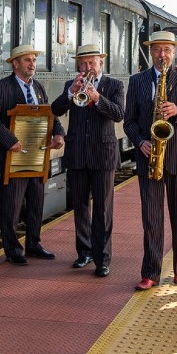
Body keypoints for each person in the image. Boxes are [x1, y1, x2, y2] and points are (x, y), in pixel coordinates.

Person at [124, 30, 177, 290]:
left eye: (167, 50)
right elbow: (129, 122)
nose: (162, 55)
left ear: (174, 52)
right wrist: (141, 141)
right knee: (151, 218)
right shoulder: (137, 81)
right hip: (150, 156)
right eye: (157, 50)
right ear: (151, 52)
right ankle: (150, 273)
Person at [0, 45, 65, 265]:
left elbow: (51, 115)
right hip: (13, 158)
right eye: (27, 60)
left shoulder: (38, 88)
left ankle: (34, 244)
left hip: (37, 156)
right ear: (15, 64)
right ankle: (12, 250)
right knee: (12, 206)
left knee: (36, 203)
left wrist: (58, 134)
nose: (32, 64)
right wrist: (10, 140)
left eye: (34, 60)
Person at [51, 44, 124, 278]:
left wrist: (98, 98)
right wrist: (70, 93)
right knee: (80, 206)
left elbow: (119, 114)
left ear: (101, 63)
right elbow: (55, 109)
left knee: (103, 210)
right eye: (83, 64)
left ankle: (103, 259)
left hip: (102, 155)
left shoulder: (114, 85)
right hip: (77, 154)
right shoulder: (71, 86)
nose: (87, 68)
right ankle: (84, 252)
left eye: (91, 63)